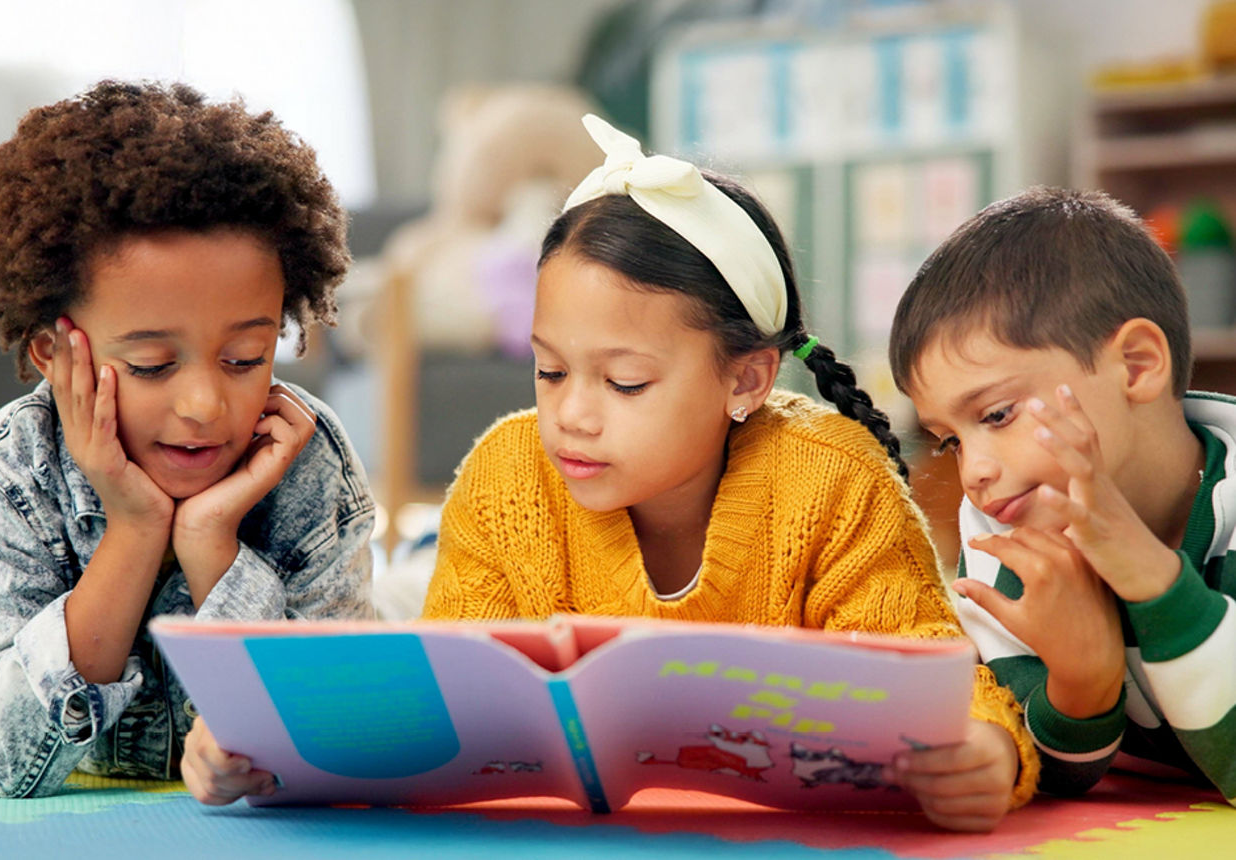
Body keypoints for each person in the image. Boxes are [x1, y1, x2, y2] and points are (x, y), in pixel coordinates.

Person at [415, 115, 1038, 831]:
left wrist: (984, 749)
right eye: (550, 370)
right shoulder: (506, 477)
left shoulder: (832, 479)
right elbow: (449, 692)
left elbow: (930, 661)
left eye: (624, 382)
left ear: (746, 380)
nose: (572, 415)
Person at [0, 80, 375, 800]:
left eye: (246, 359)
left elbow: (341, 734)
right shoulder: (8, 473)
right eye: (151, 365)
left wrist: (213, 543)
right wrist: (135, 531)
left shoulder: (302, 456)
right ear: (53, 352)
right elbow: (4, 759)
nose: (207, 405)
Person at [887, 186, 1236, 805]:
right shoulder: (1000, 539)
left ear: (1135, 366)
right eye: (950, 442)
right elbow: (1044, 773)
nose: (974, 474)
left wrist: (1153, 582)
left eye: (996, 415)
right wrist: (1081, 681)